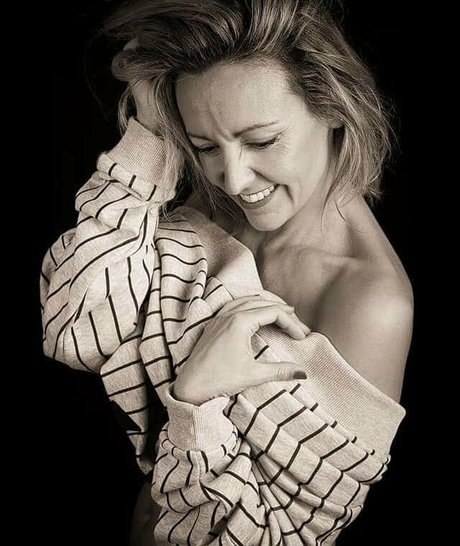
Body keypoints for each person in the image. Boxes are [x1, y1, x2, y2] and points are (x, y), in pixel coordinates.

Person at [41, 0, 413, 544]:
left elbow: (280, 536)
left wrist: (195, 404)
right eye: (205, 146)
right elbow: (75, 328)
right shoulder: (212, 208)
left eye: (262, 141)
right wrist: (149, 132)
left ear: (335, 106)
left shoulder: (369, 302)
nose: (233, 179)